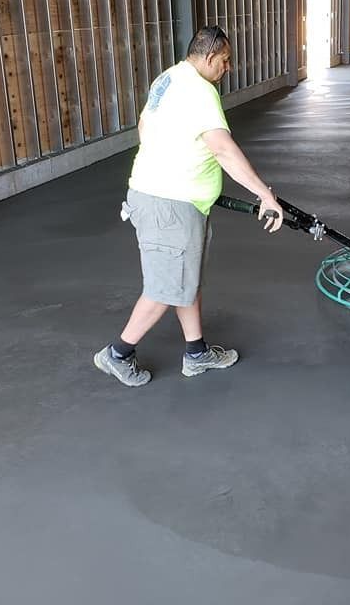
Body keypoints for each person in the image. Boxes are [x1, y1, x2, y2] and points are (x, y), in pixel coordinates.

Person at [93, 25, 284, 388]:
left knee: (185, 279)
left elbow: (144, 126)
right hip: (170, 204)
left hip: (174, 199)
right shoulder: (200, 91)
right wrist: (264, 194)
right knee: (165, 288)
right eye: (225, 61)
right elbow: (223, 149)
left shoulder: (167, 79)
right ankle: (118, 353)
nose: (227, 69)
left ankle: (196, 353)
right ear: (210, 56)